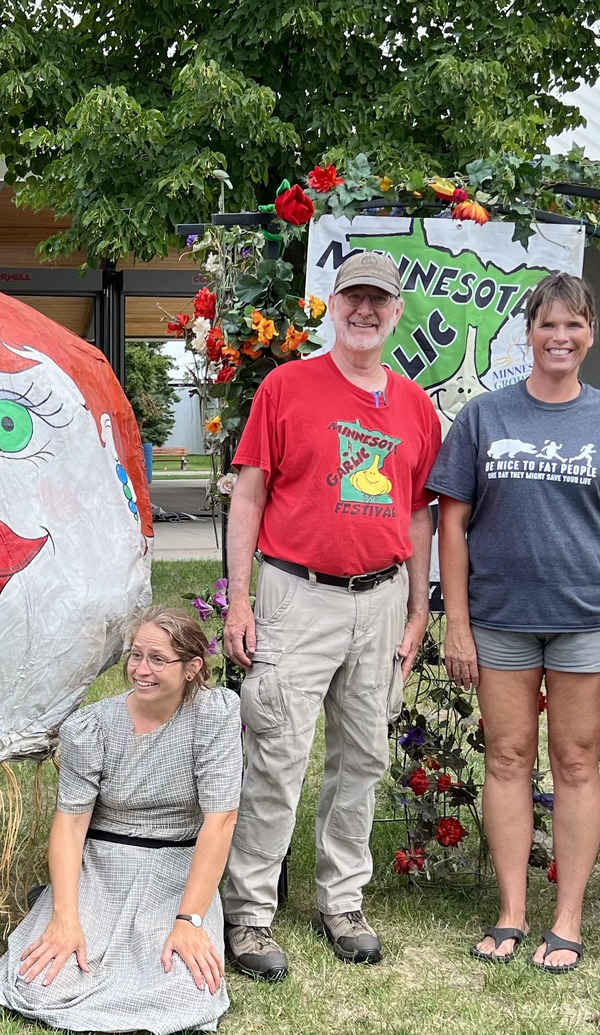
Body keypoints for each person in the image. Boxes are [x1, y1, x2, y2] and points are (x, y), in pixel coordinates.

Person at [428, 272, 600, 973]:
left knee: (574, 762)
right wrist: (457, 622)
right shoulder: (485, 417)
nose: (559, 337)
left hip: (590, 620)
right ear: (528, 334)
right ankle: (511, 912)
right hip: (500, 618)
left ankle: (566, 917)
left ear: (590, 334)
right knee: (506, 759)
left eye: (573, 326)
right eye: (547, 325)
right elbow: (453, 522)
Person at [220, 250, 441, 980]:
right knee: (277, 756)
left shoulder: (414, 406)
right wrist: (241, 599)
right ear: (333, 304)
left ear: (396, 311)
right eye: (353, 298)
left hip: (379, 601)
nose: (364, 311)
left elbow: (416, 514)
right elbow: (248, 497)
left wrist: (418, 609)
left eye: (379, 300)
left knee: (363, 759)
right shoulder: (287, 387)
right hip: (296, 594)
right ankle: (249, 915)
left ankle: (341, 901)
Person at [0, 607, 241, 1035]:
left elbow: (220, 821)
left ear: (192, 667)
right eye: (136, 656)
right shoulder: (92, 727)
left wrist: (190, 922)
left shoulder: (214, 715)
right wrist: (64, 918)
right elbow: (70, 825)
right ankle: (56, 902)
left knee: (183, 988)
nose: (141, 670)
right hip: (103, 862)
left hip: (178, 868)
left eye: (158, 659)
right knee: (40, 982)